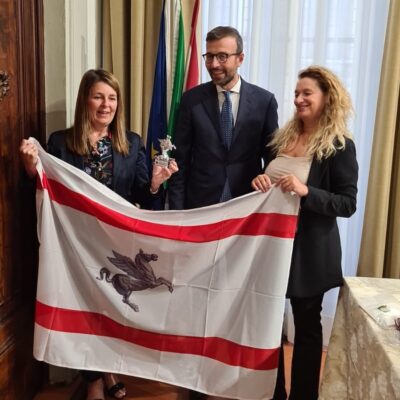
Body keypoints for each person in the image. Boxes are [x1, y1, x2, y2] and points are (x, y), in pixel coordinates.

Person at [20, 69, 178, 400]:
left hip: (114, 243)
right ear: (85, 101)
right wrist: (32, 168)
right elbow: (46, 186)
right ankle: (94, 380)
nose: (106, 105)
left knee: (110, 308)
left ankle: (106, 370)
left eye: (112, 98)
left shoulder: (131, 142)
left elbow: (143, 197)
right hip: (76, 242)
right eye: (98, 97)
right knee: (85, 306)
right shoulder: (60, 142)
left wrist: (155, 183)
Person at [251, 65, 358, 400]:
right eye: (296, 93)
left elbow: (347, 203)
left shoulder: (340, 146)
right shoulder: (279, 140)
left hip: (309, 252)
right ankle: (273, 394)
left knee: (307, 328)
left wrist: (306, 190)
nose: (298, 99)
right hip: (271, 247)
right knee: (268, 325)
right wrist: (258, 181)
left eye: (307, 93)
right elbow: (268, 184)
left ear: (327, 97)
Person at [167, 26, 278, 209]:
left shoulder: (264, 102)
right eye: (209, 56)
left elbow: (272, 157)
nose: (214, 64)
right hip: (201, 205)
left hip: (247, 204)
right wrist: (177, 213)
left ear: (240, 58)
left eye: (222, 56)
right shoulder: (191, 100)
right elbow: (179, 162)